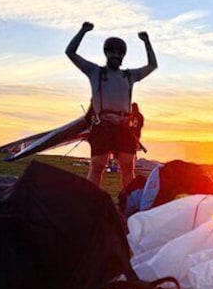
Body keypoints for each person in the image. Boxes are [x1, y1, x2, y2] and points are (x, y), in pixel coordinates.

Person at [66, 22, 157, 188]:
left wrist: (146, 41)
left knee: (128, 165)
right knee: (98, 165)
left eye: (119, 53)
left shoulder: (129, 75)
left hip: (124, 127)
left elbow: (152, 66)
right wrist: (83, 31)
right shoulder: (95, 72)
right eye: (112, 52)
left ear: (123, 55)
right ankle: (90, 202)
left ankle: (129, 203)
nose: (115, 55)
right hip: (103, 125)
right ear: (106, 53)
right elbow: (70, 53)